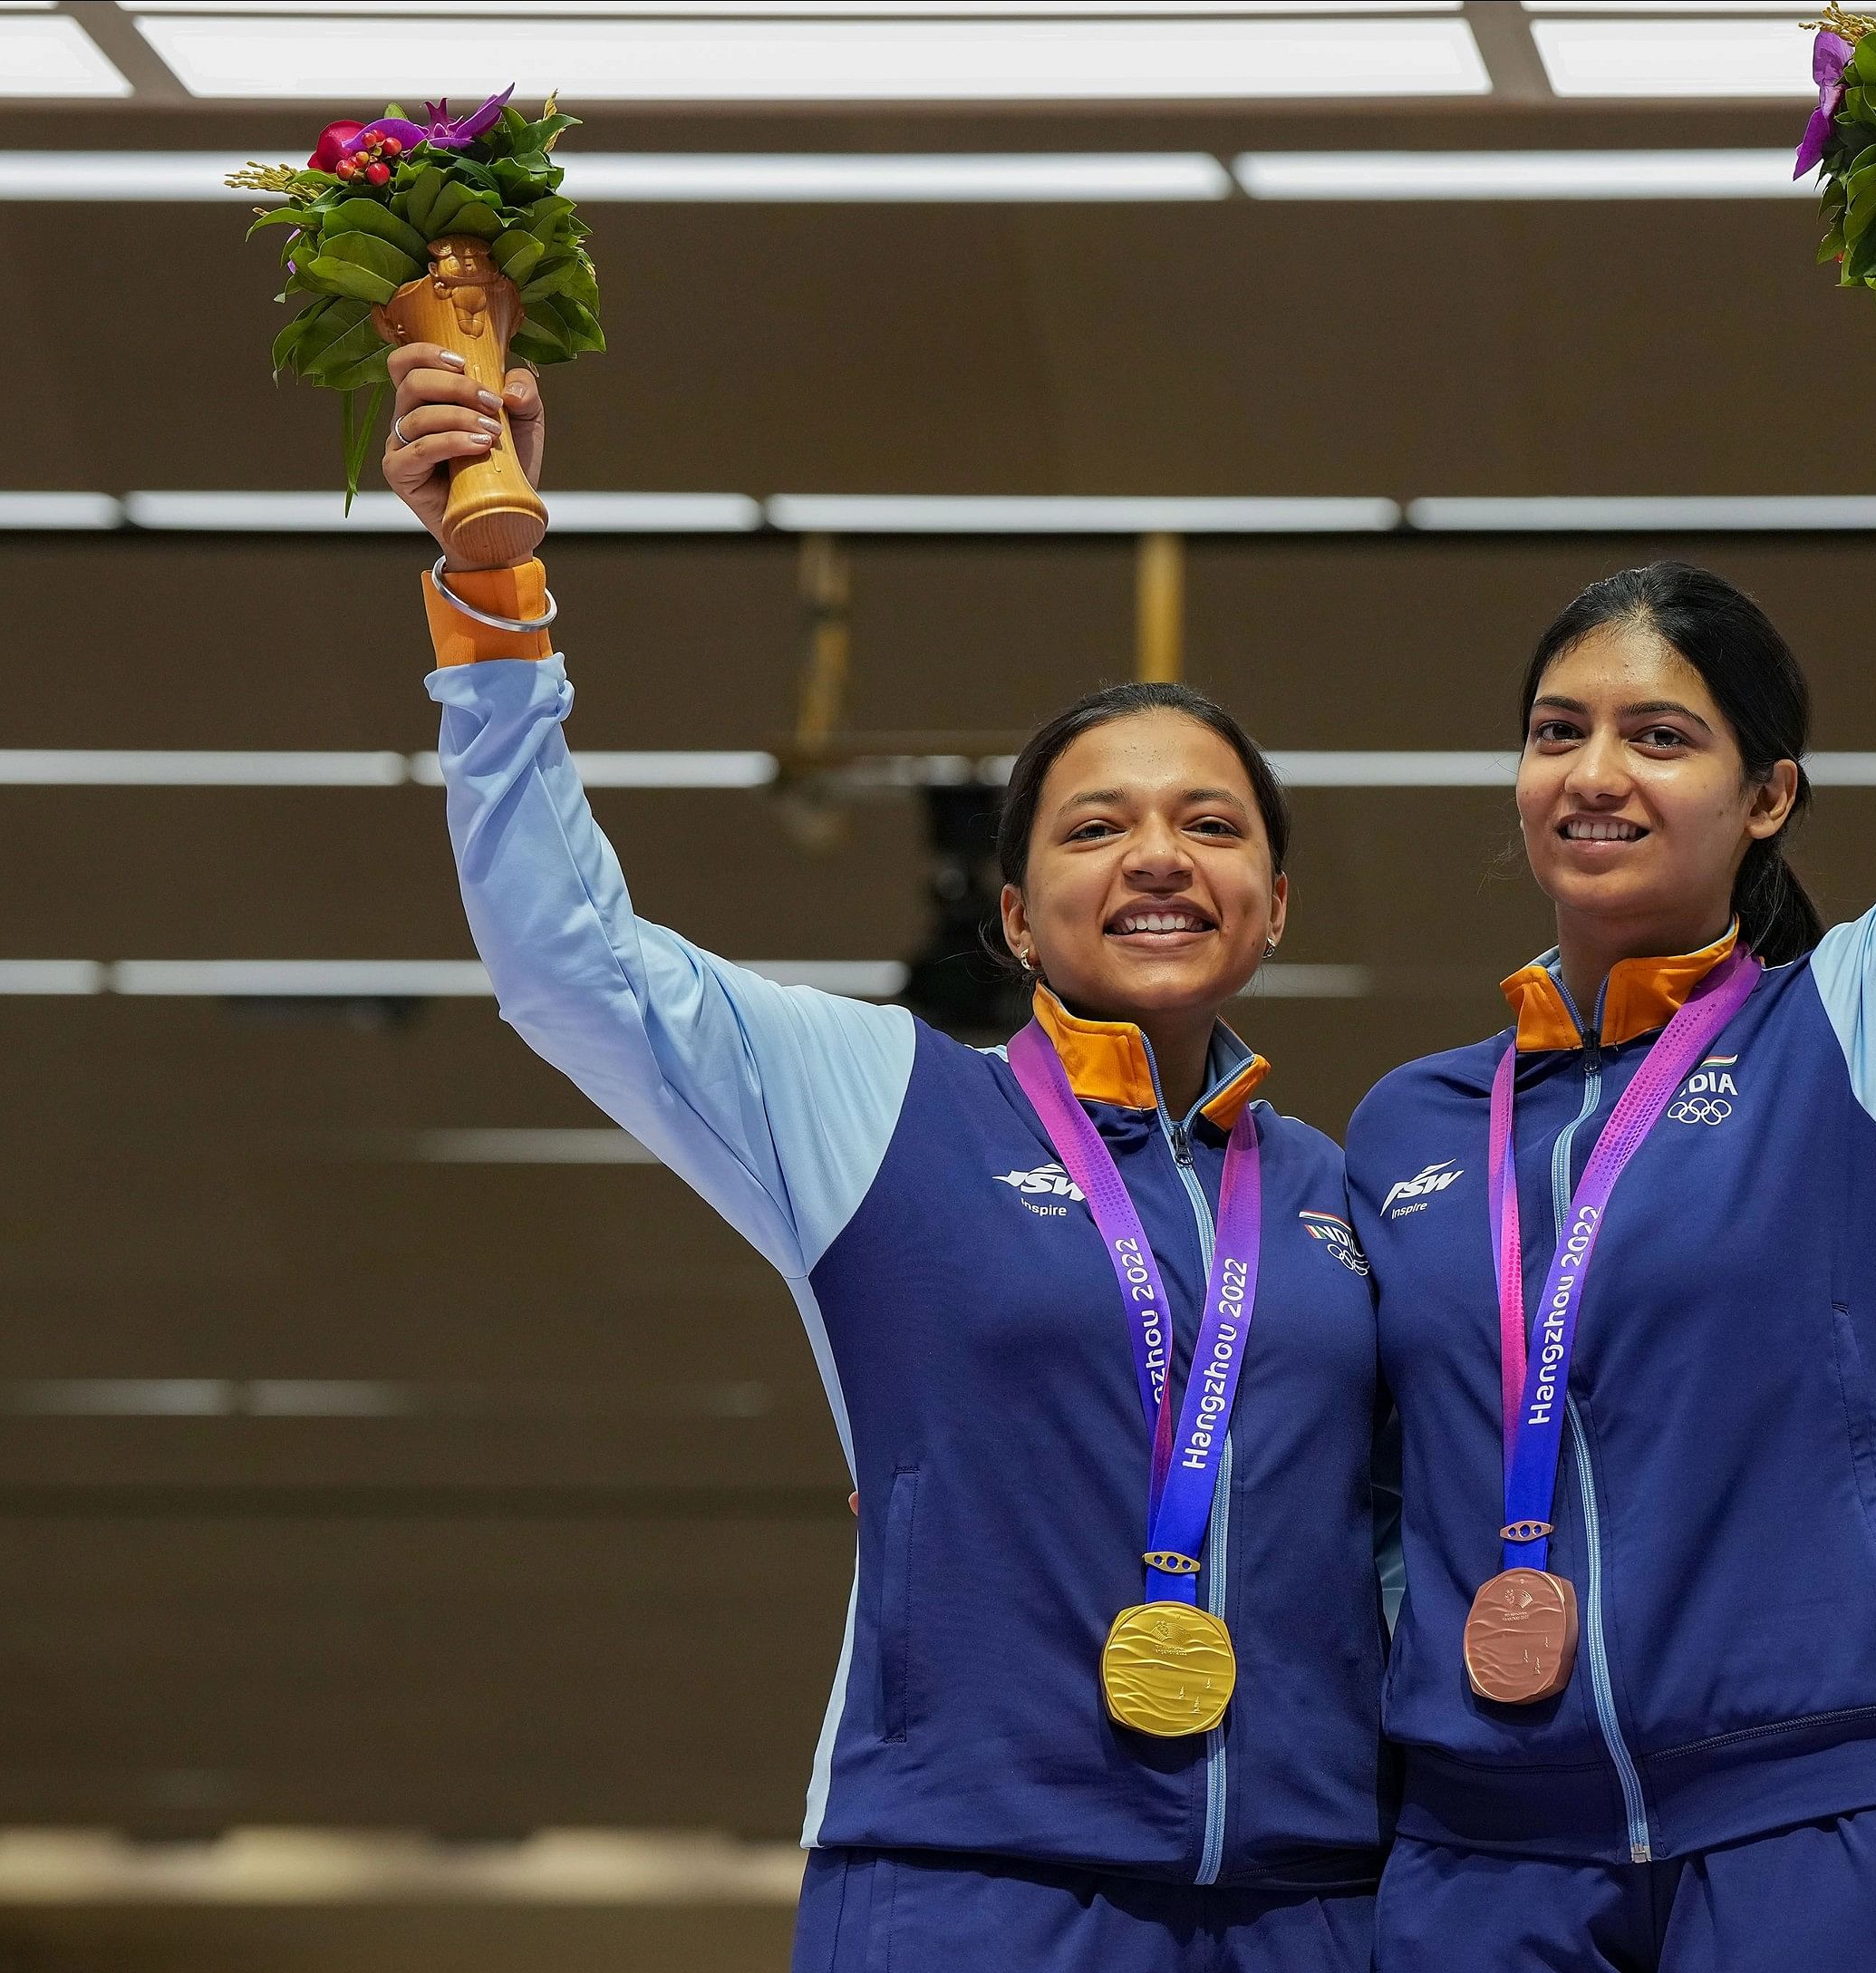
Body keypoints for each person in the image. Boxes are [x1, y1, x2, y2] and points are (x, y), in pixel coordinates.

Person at [383, 351, 1388, 1970]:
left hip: (1316, 1904)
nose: (1154, 855)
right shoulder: (882, 1103)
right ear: (1011, 918)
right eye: (1091, 827)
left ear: (1276, 904)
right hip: (967, 1882)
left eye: (1210, 826)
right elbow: (569, 957)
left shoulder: (1354, 1196)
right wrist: (493, 597)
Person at [1341, 128, 1876, 1968]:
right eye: (1560, 731)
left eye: (1659, 734)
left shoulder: (1862, 1029)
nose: (1595, 772)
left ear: (1767, 794)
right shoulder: (1406, 1127)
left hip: (1814, 1794)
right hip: (1481, 1837)